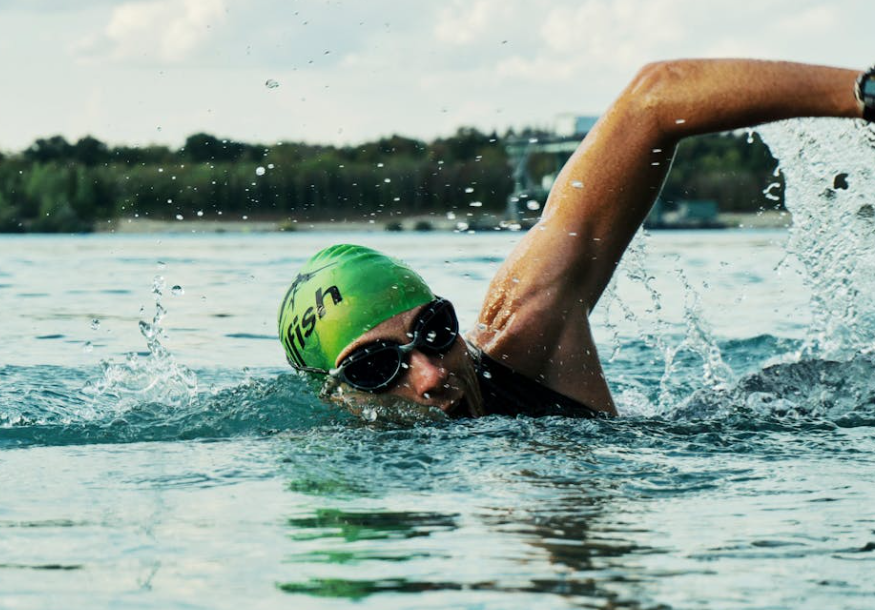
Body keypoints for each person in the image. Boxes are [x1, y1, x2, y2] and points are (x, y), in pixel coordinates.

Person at [278, 59, 875, 419]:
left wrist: (866, 92)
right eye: (375, 369)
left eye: (434, 331)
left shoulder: (525, 335)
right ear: (335, 397)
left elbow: (655, 97)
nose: (431, 375)